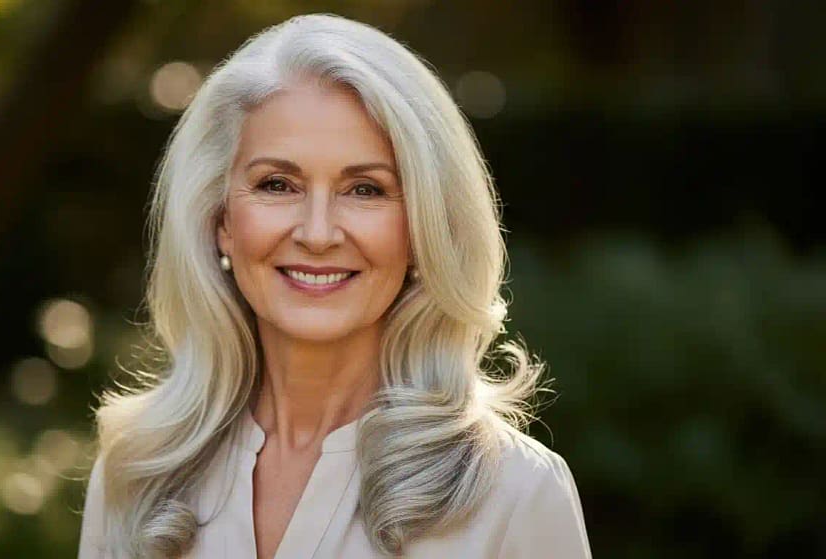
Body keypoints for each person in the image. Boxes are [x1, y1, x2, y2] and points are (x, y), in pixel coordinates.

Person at [78, 13, 591, 559]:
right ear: (219, 220)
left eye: (366, 189)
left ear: (423, 229)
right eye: (277, 184)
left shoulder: (515, 493)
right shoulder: (137, 473)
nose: (318, 233)